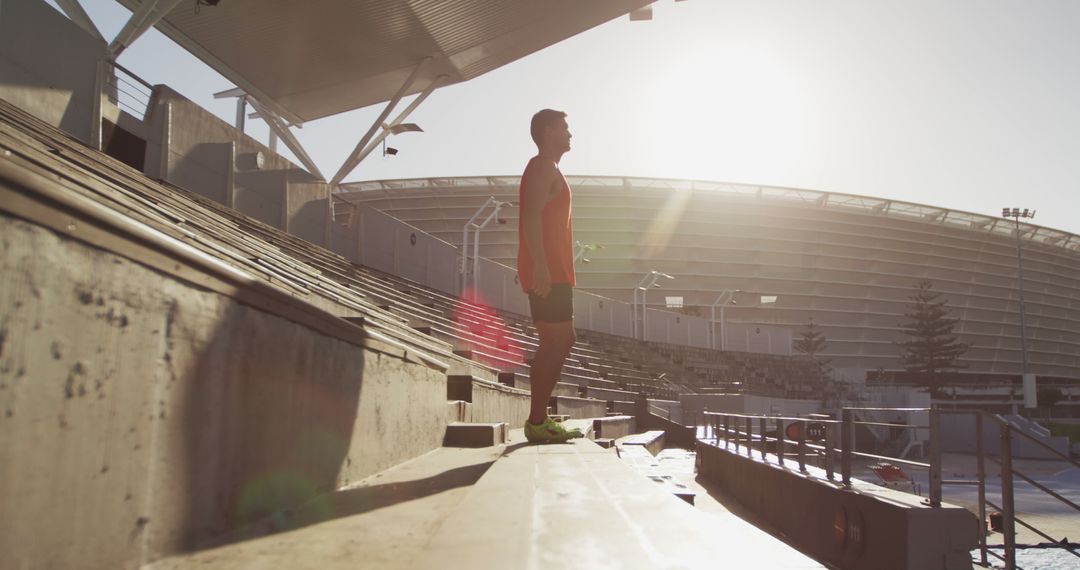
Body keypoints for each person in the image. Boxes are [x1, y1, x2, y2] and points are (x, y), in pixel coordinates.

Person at [518, 109, 584, 443]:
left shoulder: (549, 167)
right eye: (565, 128)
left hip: (552, 268)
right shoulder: (543, 165)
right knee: (560, 340)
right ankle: (537, 420)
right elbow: (531, 215)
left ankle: (538, 419)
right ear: (548, 132)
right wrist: (541, 265)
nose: (570, 134)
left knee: (554, 342)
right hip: (549, 270)